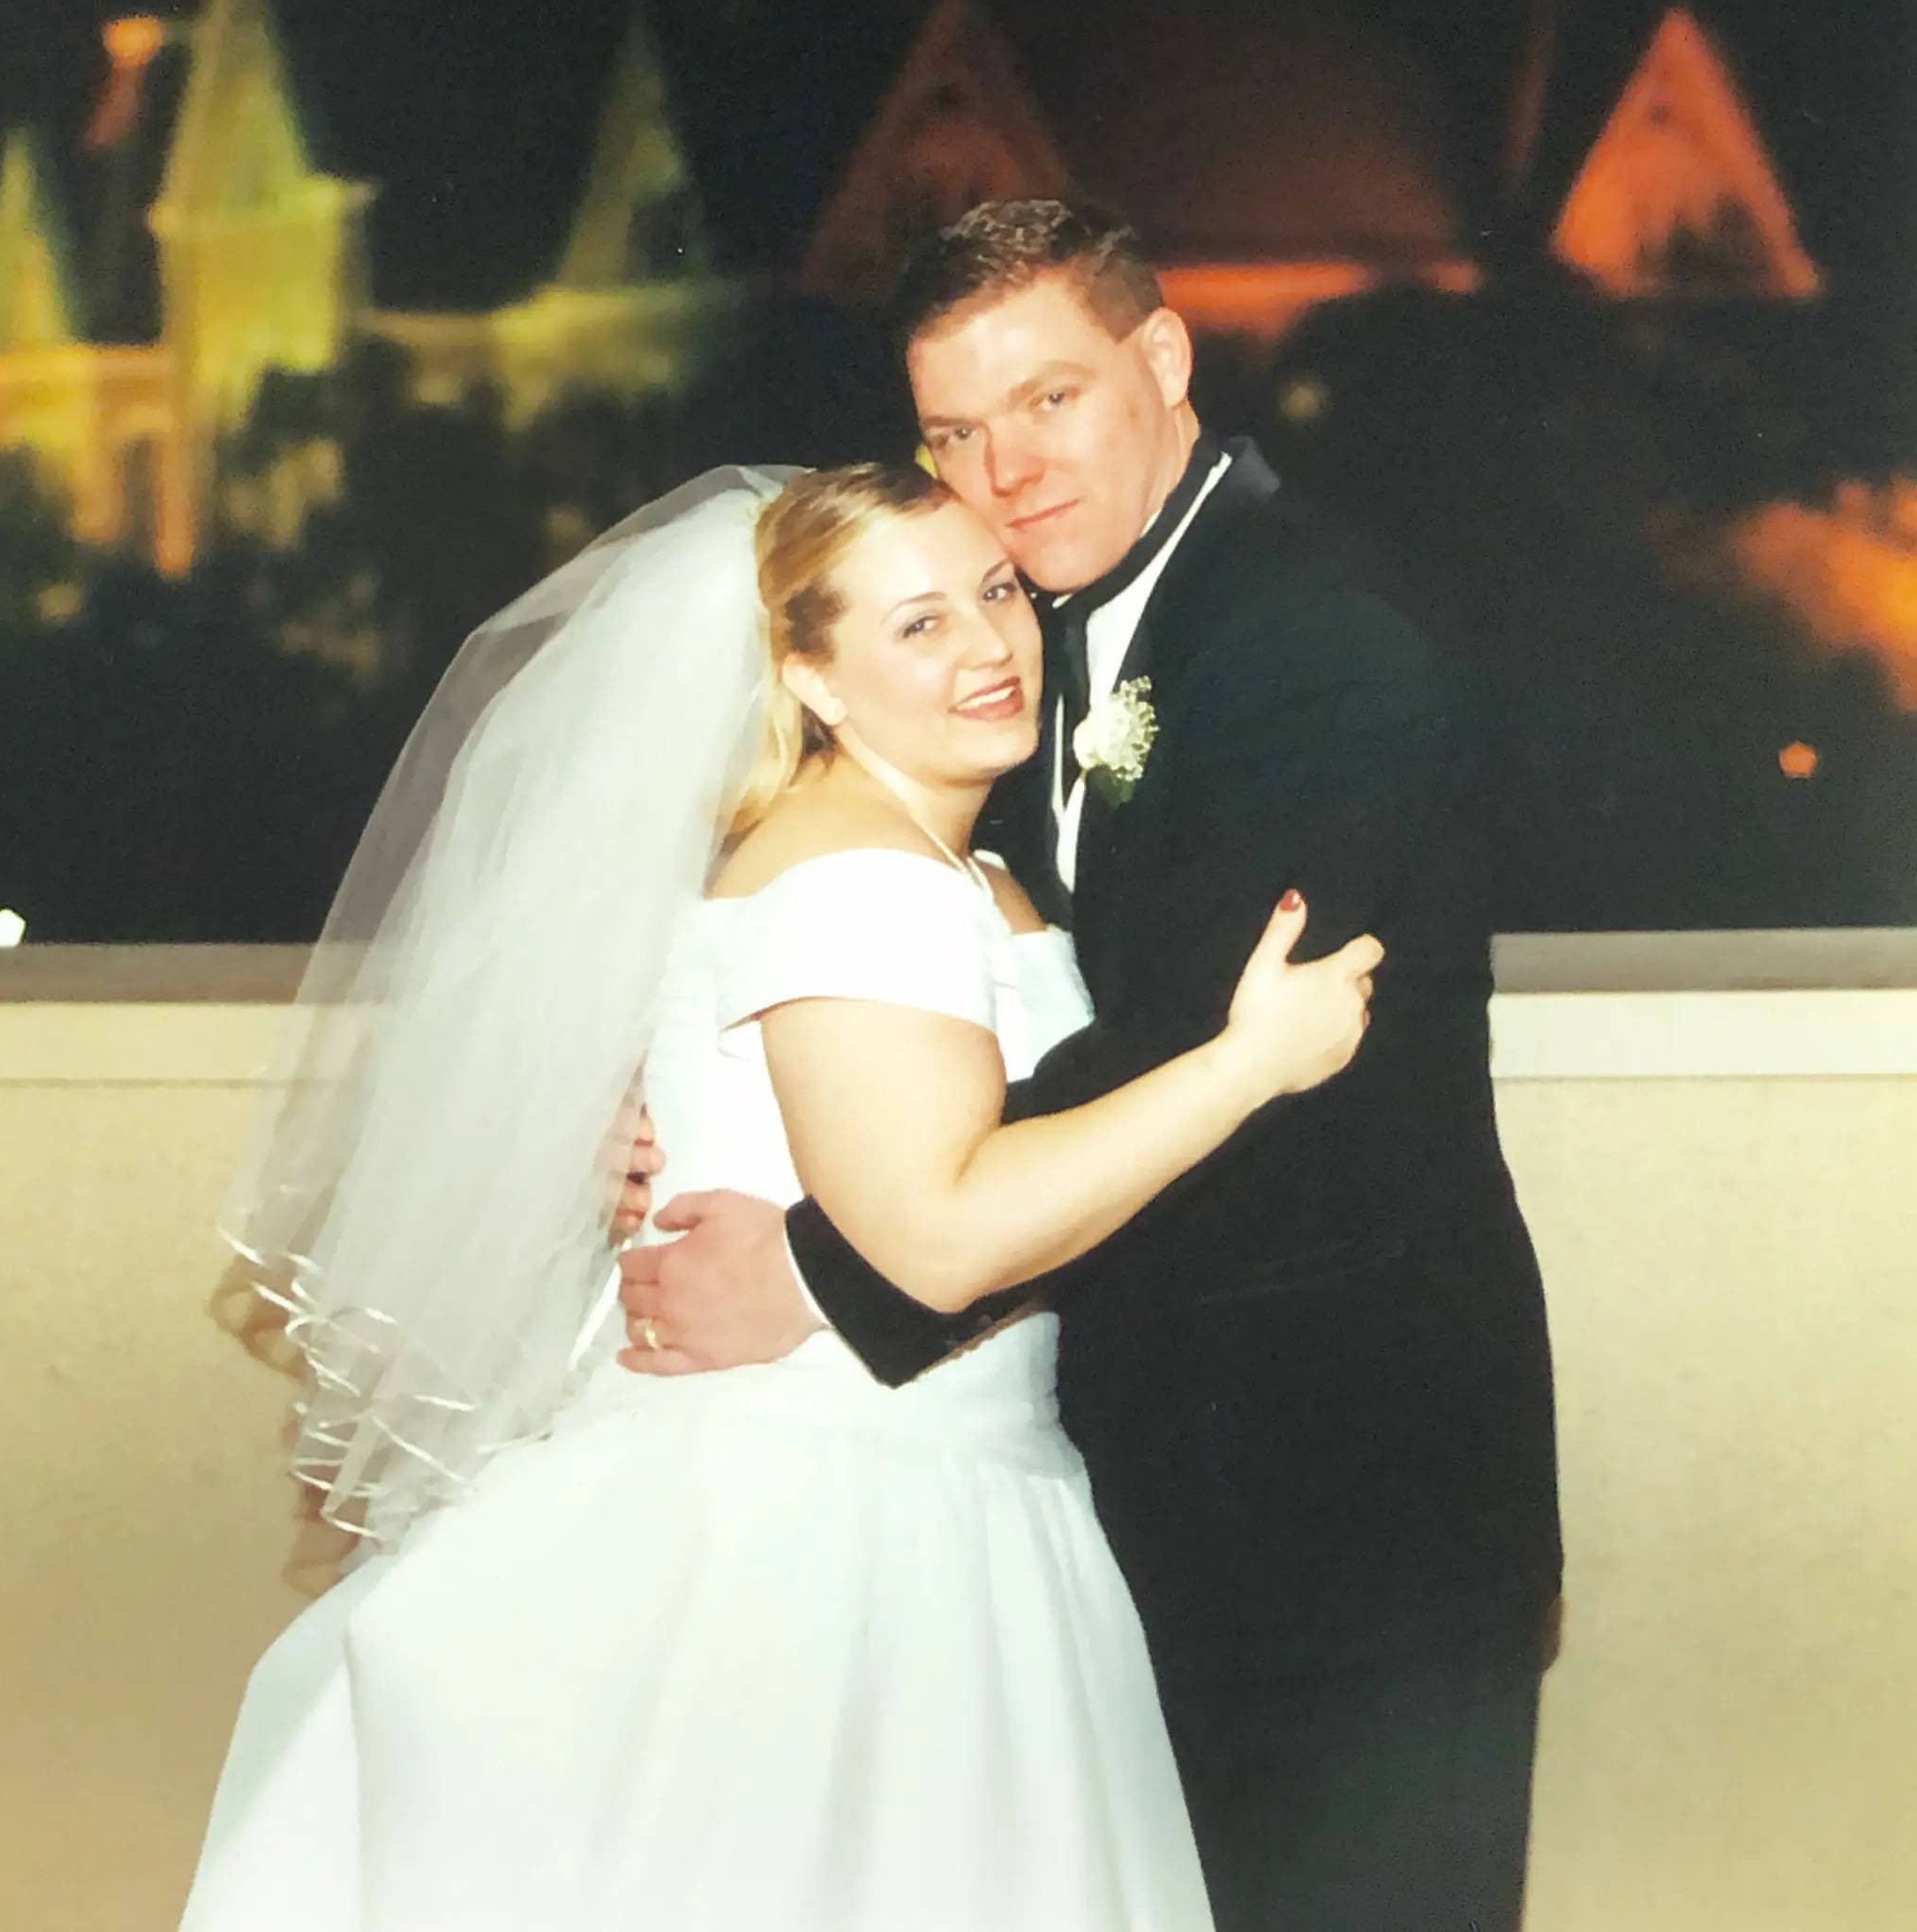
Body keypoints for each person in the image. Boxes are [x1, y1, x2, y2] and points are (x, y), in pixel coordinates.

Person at [180, 461, 1379, 1930]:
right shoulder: (862, 876)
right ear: (812, 677)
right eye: (917, 627)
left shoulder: (961, 871)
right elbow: (939, 1236)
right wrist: (1252, 1064)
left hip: (945, 1481)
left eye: (995, 594)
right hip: (829, 1534)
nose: (992, 646)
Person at [618, 202, 1564, 1932]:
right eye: (956, 435)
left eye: (1049, 401)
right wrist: (695, 1102)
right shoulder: (1014, 631)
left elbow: (1201, 1044)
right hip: (1122, 1484)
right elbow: (906, 962)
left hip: (1341, 1502)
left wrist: (825, 1272)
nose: (1007, 471)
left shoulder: (1322, 645)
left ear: (1165, 360)